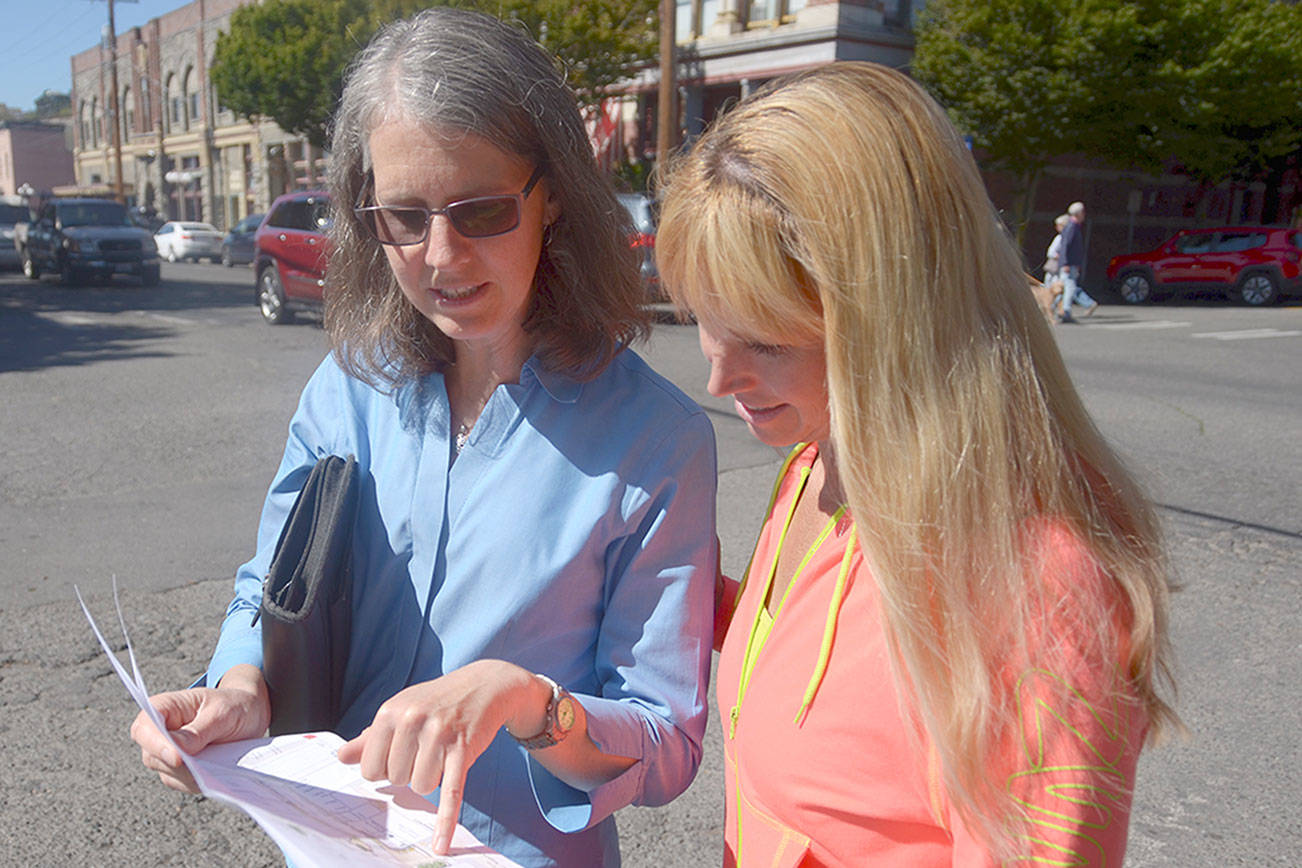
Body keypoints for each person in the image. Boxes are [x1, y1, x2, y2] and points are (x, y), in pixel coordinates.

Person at [130, 9, 717, 867]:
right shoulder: (347, 386)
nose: (440, 256)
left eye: (480, 213)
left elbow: (665, 748)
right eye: (402, 216)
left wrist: (526, 703)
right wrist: (241, 686)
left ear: (550, 197)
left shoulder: (656, 441)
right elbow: (272, 582)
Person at [656, 62, 1178, 867]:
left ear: (896, 319)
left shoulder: (1039, 594)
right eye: (704, 322)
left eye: (764, 338)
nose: (718, 381)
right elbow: (842, 689)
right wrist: (681, 599)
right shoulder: (816, 455)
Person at [1044, 213, 1097, 320]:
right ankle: (1083, 304)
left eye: (1058, 225)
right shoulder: (1070, 231)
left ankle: (1061, 310)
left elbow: (1055, 251)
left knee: (1063, 288)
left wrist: (1064, 261)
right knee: (1068, 287)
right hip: (1065, 265)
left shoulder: (1062, 236)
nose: (1056, 227)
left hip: (1061, 266)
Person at [1058, 201, 1093, 322]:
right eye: (1083, 212)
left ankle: (1061, 311)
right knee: (1069, 288)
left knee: (1066, 288)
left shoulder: (1073, 227)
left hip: (1072, 264)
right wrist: (1066, 263)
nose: (1084, 214)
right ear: (1078, 213)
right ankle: (1065, 312)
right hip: (1069, 264)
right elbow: (1065, 246)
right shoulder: (1072, 227)